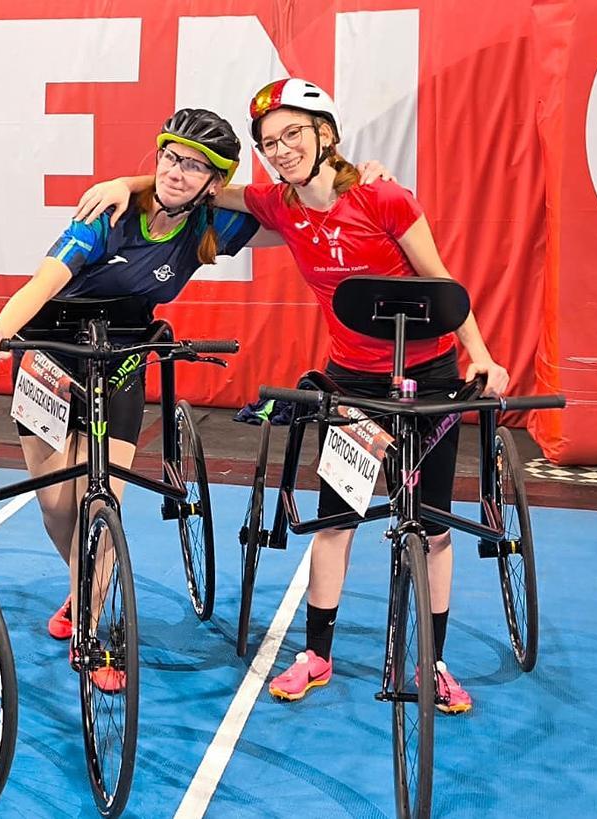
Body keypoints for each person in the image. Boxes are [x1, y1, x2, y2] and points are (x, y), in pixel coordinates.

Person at [76, 79, 509, 714]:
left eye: (293, 134)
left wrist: (483, 355)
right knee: (335, 523)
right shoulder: (278, 205)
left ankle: (432, 663)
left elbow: (440, 280)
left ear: (324, 133)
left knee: (434, 528)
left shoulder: (385, 198)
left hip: (430, 380)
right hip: (351, 383)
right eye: (269, 141)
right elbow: (197, 180)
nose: (279, 149)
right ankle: (316, 655)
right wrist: (124, 184)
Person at [0, 109, 388, 692]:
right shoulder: (109, 213)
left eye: (195, 167)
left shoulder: (212, 223)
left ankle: (93, 630)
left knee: (98, 507)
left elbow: (300, 208)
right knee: (57, 507)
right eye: (169, 158)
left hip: (123, 353)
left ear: (215, 183)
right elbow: (42, 283)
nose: (177, 173)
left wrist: (353, 180)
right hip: (48, 349)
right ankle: (80, 582)